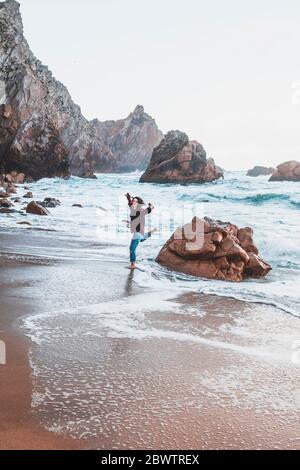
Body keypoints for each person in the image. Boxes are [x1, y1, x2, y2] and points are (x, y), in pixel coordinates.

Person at [125, 193, 158, 269]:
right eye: (133, 201)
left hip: (138, 232)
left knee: (132, 249)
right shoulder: (133, 208)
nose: (133, 202)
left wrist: (151, 206)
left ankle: (133, 264)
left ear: (139, 203)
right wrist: (128, 197)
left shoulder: (139, 210)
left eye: (136, 201)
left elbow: (148, 210)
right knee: (141, 239)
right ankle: (151, 232)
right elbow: (130, 204)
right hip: (139, 231)